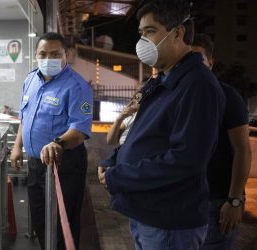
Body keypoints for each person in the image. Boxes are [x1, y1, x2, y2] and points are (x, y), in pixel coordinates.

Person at [97, 0, 226, 249]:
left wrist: (119, 176)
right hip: (148, 216)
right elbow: (142, 136)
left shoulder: (197, 85)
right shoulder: (164, 80)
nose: (142, 41)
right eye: (141, 33)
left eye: (150, 31)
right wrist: (112, 162)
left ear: (177, 33)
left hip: (169, 223)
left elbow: (185, 160)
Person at [10, 32, 93, 250]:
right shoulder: (30, 80)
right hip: (36, 163)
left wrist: (58, 142)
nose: (48, 59)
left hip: (65, 164)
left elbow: (80, 129)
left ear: (67, 54)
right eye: (43, 54)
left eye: (55, 54)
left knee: (63, 222)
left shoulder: (77, 86)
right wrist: (17, 147)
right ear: (36, 55)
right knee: (40, 220)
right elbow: (24, 117)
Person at [192, 33, 252, 249]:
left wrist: (234, 201)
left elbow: (242, 151)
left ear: (211, 63)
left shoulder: (228, 97)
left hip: (218, 201)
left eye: (198, 59)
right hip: (187, 200)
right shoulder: (182, 98)